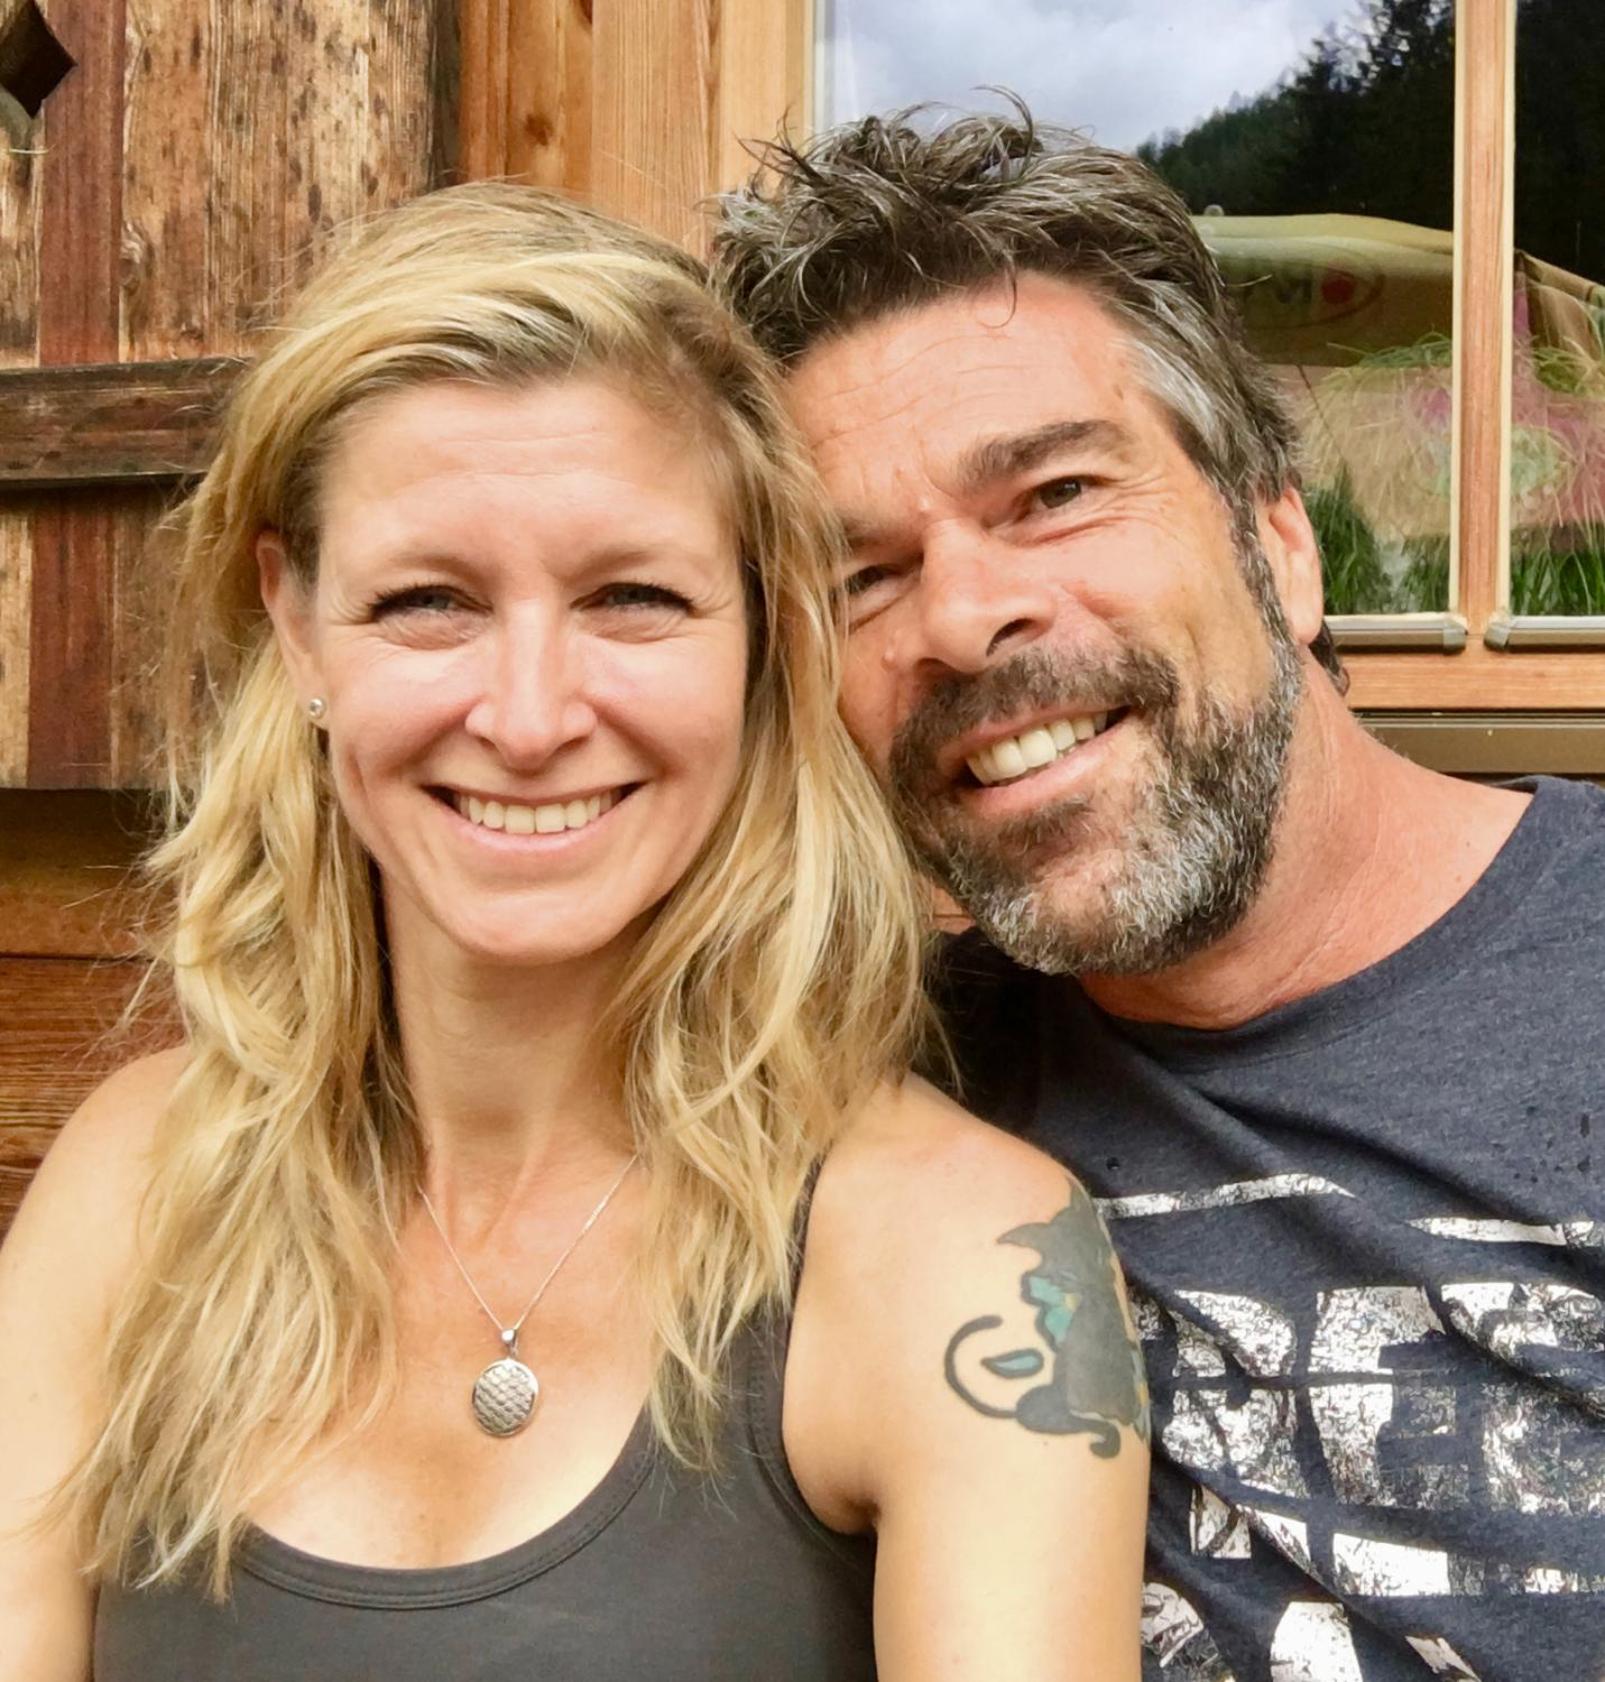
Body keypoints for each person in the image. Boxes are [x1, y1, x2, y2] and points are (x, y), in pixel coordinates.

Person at [0, 183, 1149, 1681]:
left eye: (632, 597)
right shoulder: (139, 1183)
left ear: (761, 638)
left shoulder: (964, 1261)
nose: (532, 718)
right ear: (296, 622)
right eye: (429, 600)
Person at [714, 105, 1605, 1682]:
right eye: (861, 577)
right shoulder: (855, 1099)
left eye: (1052, 492)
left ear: (1280, 543)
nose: (964, 617)